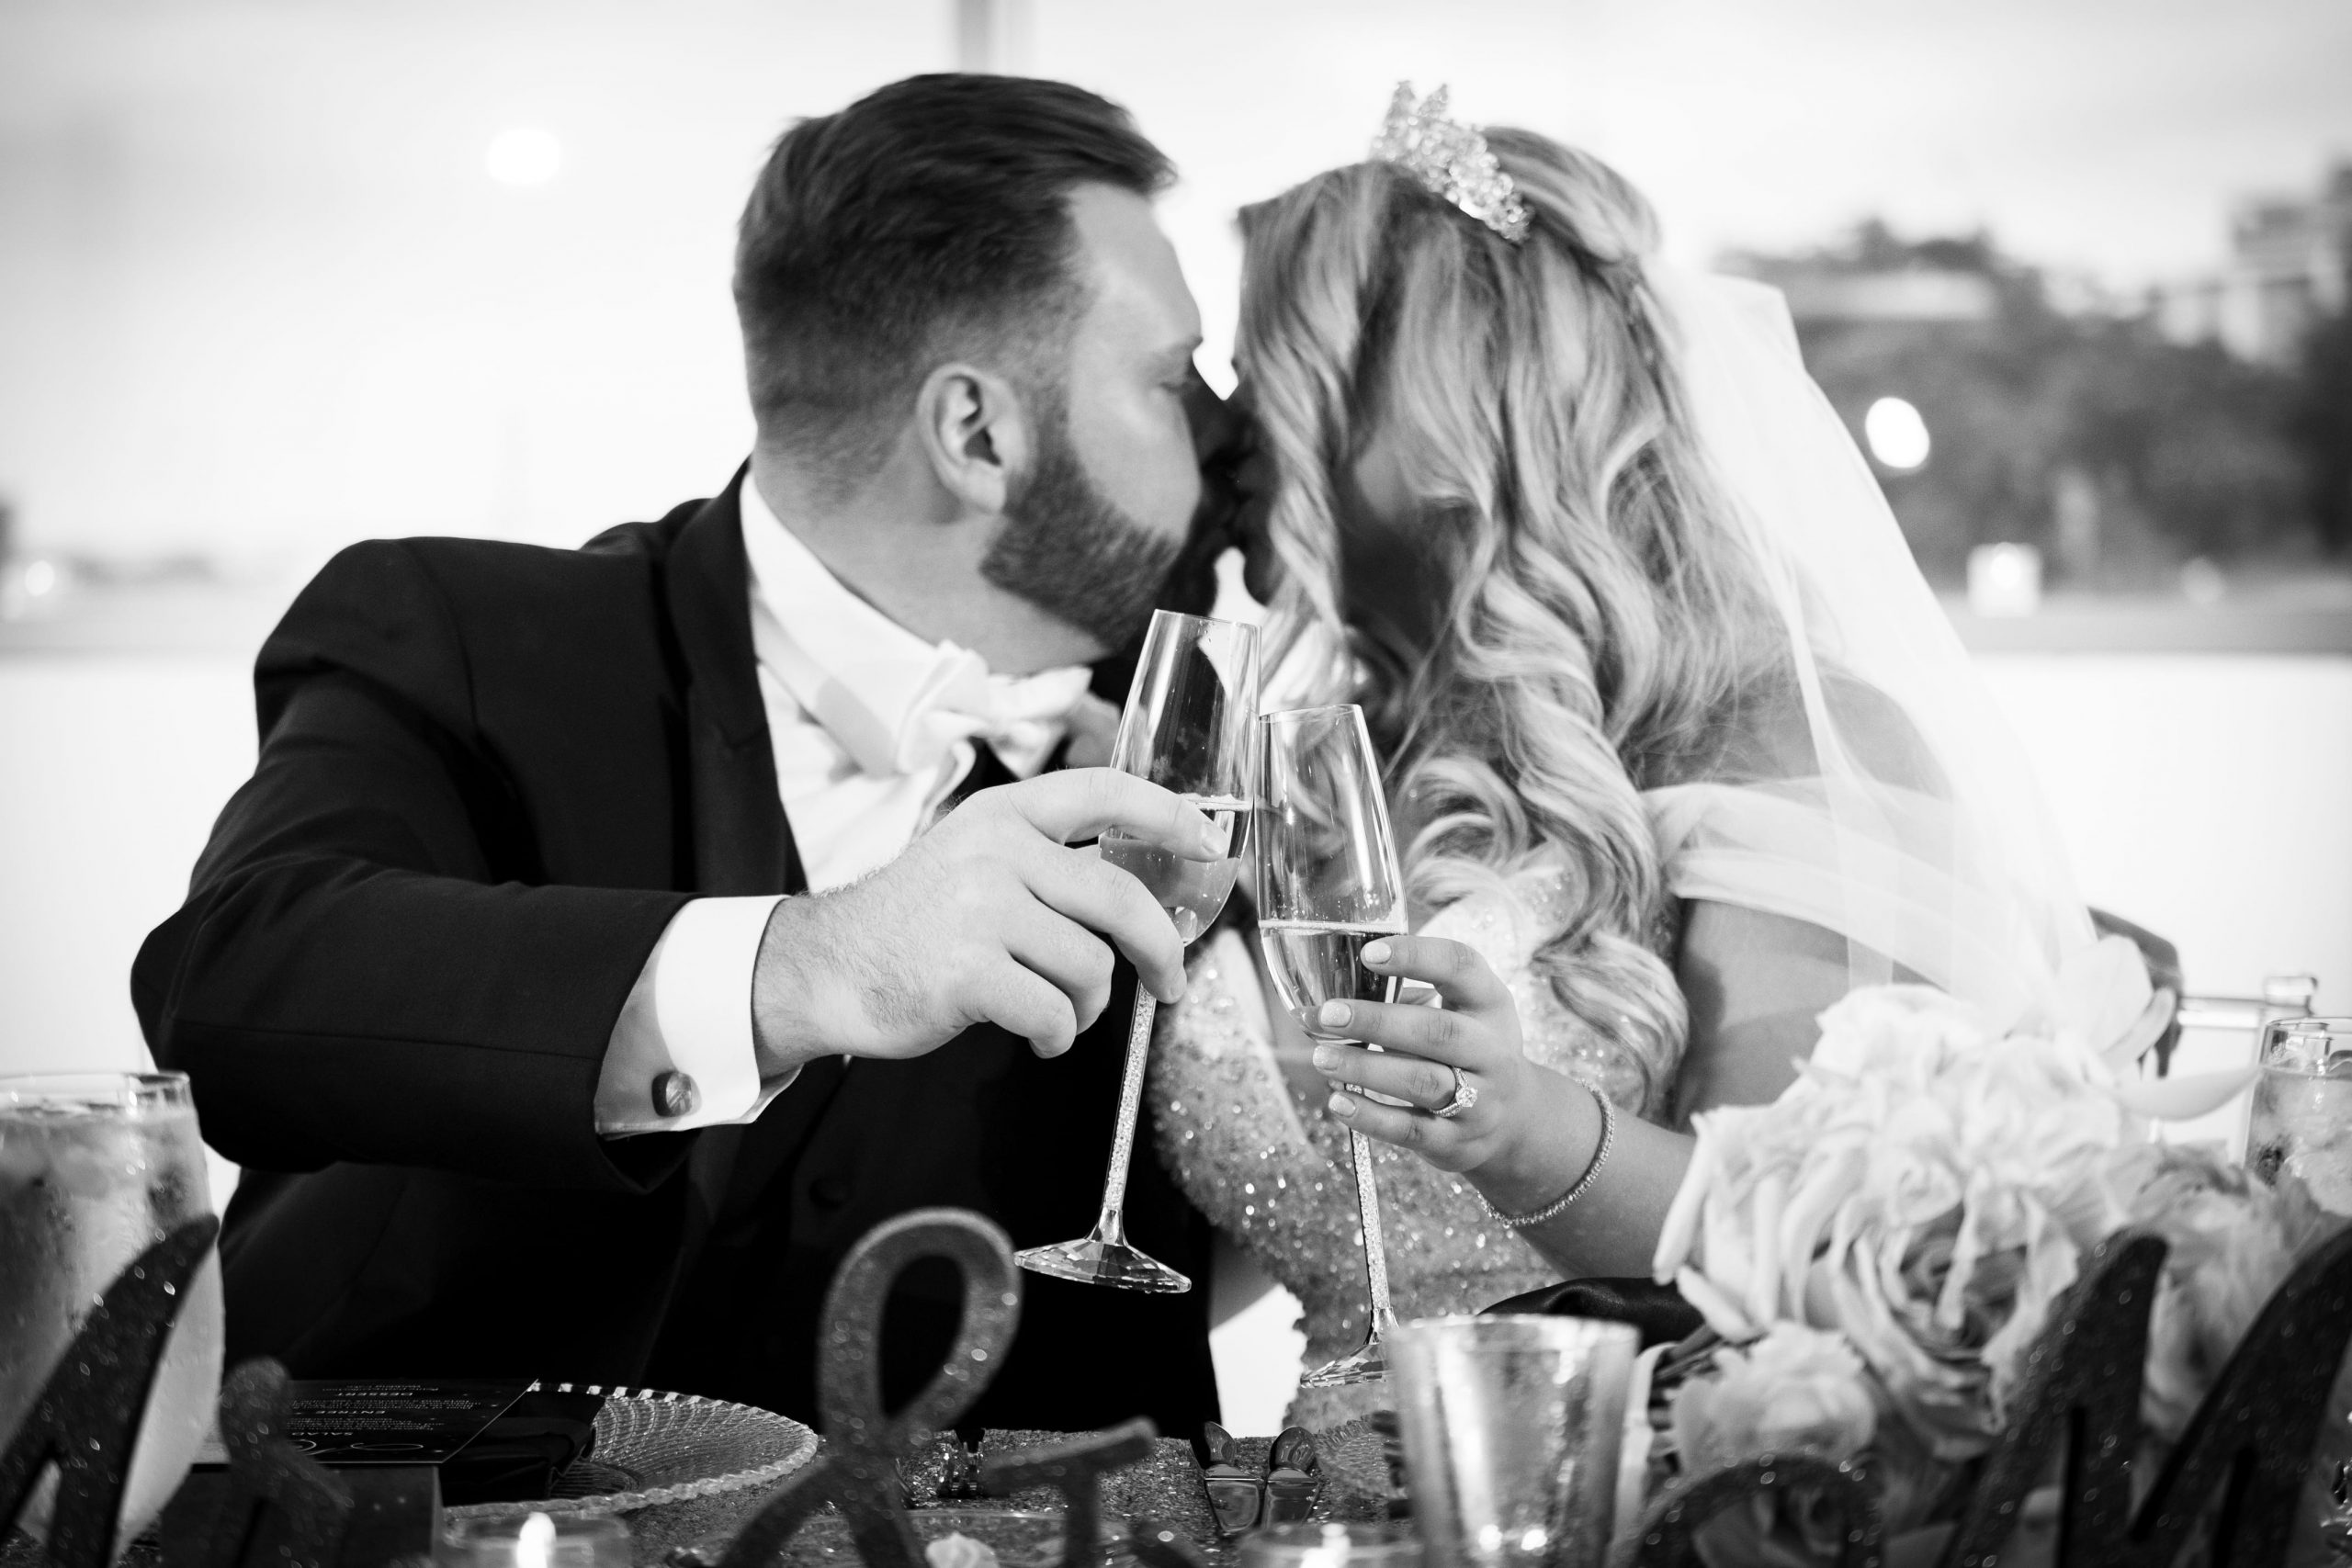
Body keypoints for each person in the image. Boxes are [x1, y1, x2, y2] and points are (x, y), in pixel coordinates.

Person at [133, 73, 1241, 1437]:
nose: (1214, 433)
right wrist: (811, 964)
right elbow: (232, 983)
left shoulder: (1194, 736)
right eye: (1170, 377)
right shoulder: (468, 638)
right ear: (977, 433)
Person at [1150, 86, 2165, 1425]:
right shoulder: (1333, 761)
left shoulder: (1796, 742)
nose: (1230, 431)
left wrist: (1528, 1134)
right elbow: (1314, 1224)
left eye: (1271, 365)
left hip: (1634, 1490)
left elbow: (1818, 1258)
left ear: (1431, 412)